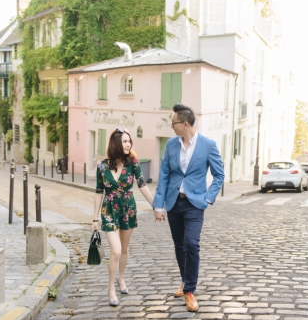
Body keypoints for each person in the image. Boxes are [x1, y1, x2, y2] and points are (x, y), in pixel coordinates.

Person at [152, 103, 225, 312]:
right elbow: (164, 174)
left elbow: (219, 175)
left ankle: (190, 291)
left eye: (173, 123)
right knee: (179, 245)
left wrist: (209, 198)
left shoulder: (208, 145)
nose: (171, 126)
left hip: (195, 203)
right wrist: (159, 205)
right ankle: (185, 280)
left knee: (191, 244)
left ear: (185, 124)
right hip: (174, 202)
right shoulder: (171, 144)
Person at [92, 127, 154, 306]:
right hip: (109, 211)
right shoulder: (102, 166)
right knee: (116, 250)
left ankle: (121, 279)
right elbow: (98, 192)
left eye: (129, 141)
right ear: (116, 144)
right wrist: (94, 218)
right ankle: (111, 288)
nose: (128, 144)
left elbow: (142, 185)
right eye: (125, 141)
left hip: (128, 209)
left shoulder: (133, 163)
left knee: (124, 249)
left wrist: (155, 205)